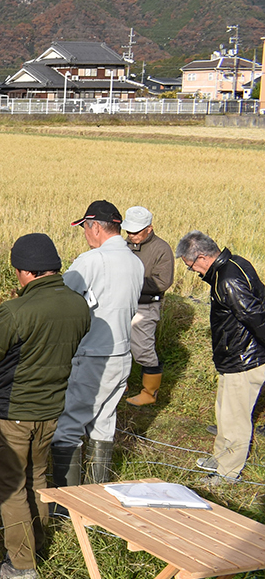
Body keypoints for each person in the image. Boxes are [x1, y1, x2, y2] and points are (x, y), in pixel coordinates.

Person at [0, 234, 90, 579]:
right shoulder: (78, 305)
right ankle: (36, 543)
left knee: (10, 488)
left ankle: (21, 565)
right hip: (50, 409)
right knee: (36, 478)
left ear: (25, 272)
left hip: (11, 412)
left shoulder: (16, 311)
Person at [50, 201, 143, 486]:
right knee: (103, 424)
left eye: (85, 229)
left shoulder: (91, 261)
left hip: (92, 354)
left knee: (68, 426)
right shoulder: (135, 262)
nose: (85, 235)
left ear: (95, 227)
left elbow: (60, 300)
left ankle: (65, 503)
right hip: (122, 353)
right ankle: (98, 497)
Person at [176, 231, 265, 485]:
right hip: (234, 356)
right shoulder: (235, 263)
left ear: (202, 257)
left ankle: (227, 474)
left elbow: (255, 317)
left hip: (244, 358)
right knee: (224, 412)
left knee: (235, 418)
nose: (192, 271)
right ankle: (221, 457)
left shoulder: (227, 280)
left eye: (190, 265)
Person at [122, 206, 175, 406]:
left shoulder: (161, 249)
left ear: (149, 229)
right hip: (121, 304)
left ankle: (149, 393)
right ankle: (121, 385)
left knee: (142, 349)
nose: (131, 235)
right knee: (118, 345)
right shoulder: (121, 245)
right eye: (129, 231)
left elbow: (162, 282)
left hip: (145, 307)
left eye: (136, 231)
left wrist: (129, 282)